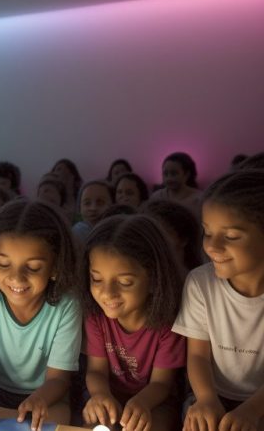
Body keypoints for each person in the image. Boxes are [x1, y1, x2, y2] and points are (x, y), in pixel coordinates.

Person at [0, 200, 81, 430]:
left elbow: (58, 379)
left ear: (56, 266)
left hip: (47, 396)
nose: (16, 278)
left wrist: (39, 399)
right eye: (4, 264)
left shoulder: (67, 305)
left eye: (33, 268)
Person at [173, 169, 264, 431]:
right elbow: (198, 355)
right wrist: (206, 399)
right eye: (207, 232)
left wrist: (252, 410)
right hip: (213, 393)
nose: (212, 246)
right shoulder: (201, 283)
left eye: (231, 236)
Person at [80, 216, 186, 431]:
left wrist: (141, 403)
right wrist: (100, 395)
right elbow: (96, 371)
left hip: (155, 401)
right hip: (109, 394)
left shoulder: (167, 325)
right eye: (97, 279)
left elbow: (161, 383)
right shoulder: (96, 317)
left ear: (154, 280)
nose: (107, 293)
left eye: (124, 282)